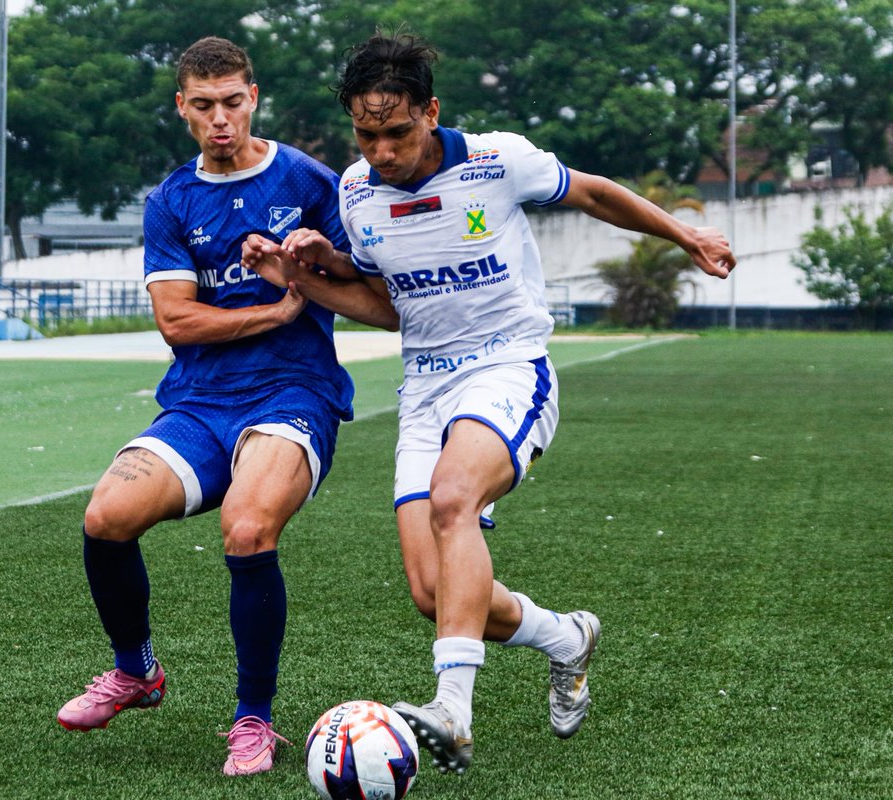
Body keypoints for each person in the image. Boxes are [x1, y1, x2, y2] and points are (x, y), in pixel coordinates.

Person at [242, 31, 736, 774]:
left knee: (454, 501)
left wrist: (684, 233)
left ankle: (452, 708)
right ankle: (567, 639)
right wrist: (302, 273)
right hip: (426, 388)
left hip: (508, 367)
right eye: (366, 134)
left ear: (430, 112)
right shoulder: (355, 191)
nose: (381, 150)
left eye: (397, 131)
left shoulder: (496, 159)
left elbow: (594, 191)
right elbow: (386, 302)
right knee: (433, 592)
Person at [53, 36, 396, 777]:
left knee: (246, 528)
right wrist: (272, 312)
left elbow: (378, 301)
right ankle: (136, 671)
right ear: (182, 107)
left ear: (254, 99)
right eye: (203, 105)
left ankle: (253, 719)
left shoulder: (309, 181)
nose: (219, 119)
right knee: (105, 517)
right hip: (200, 401)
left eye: (232, 102)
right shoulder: (172, 201)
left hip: (292, 394)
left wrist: (320, 265)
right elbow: (176, 322)